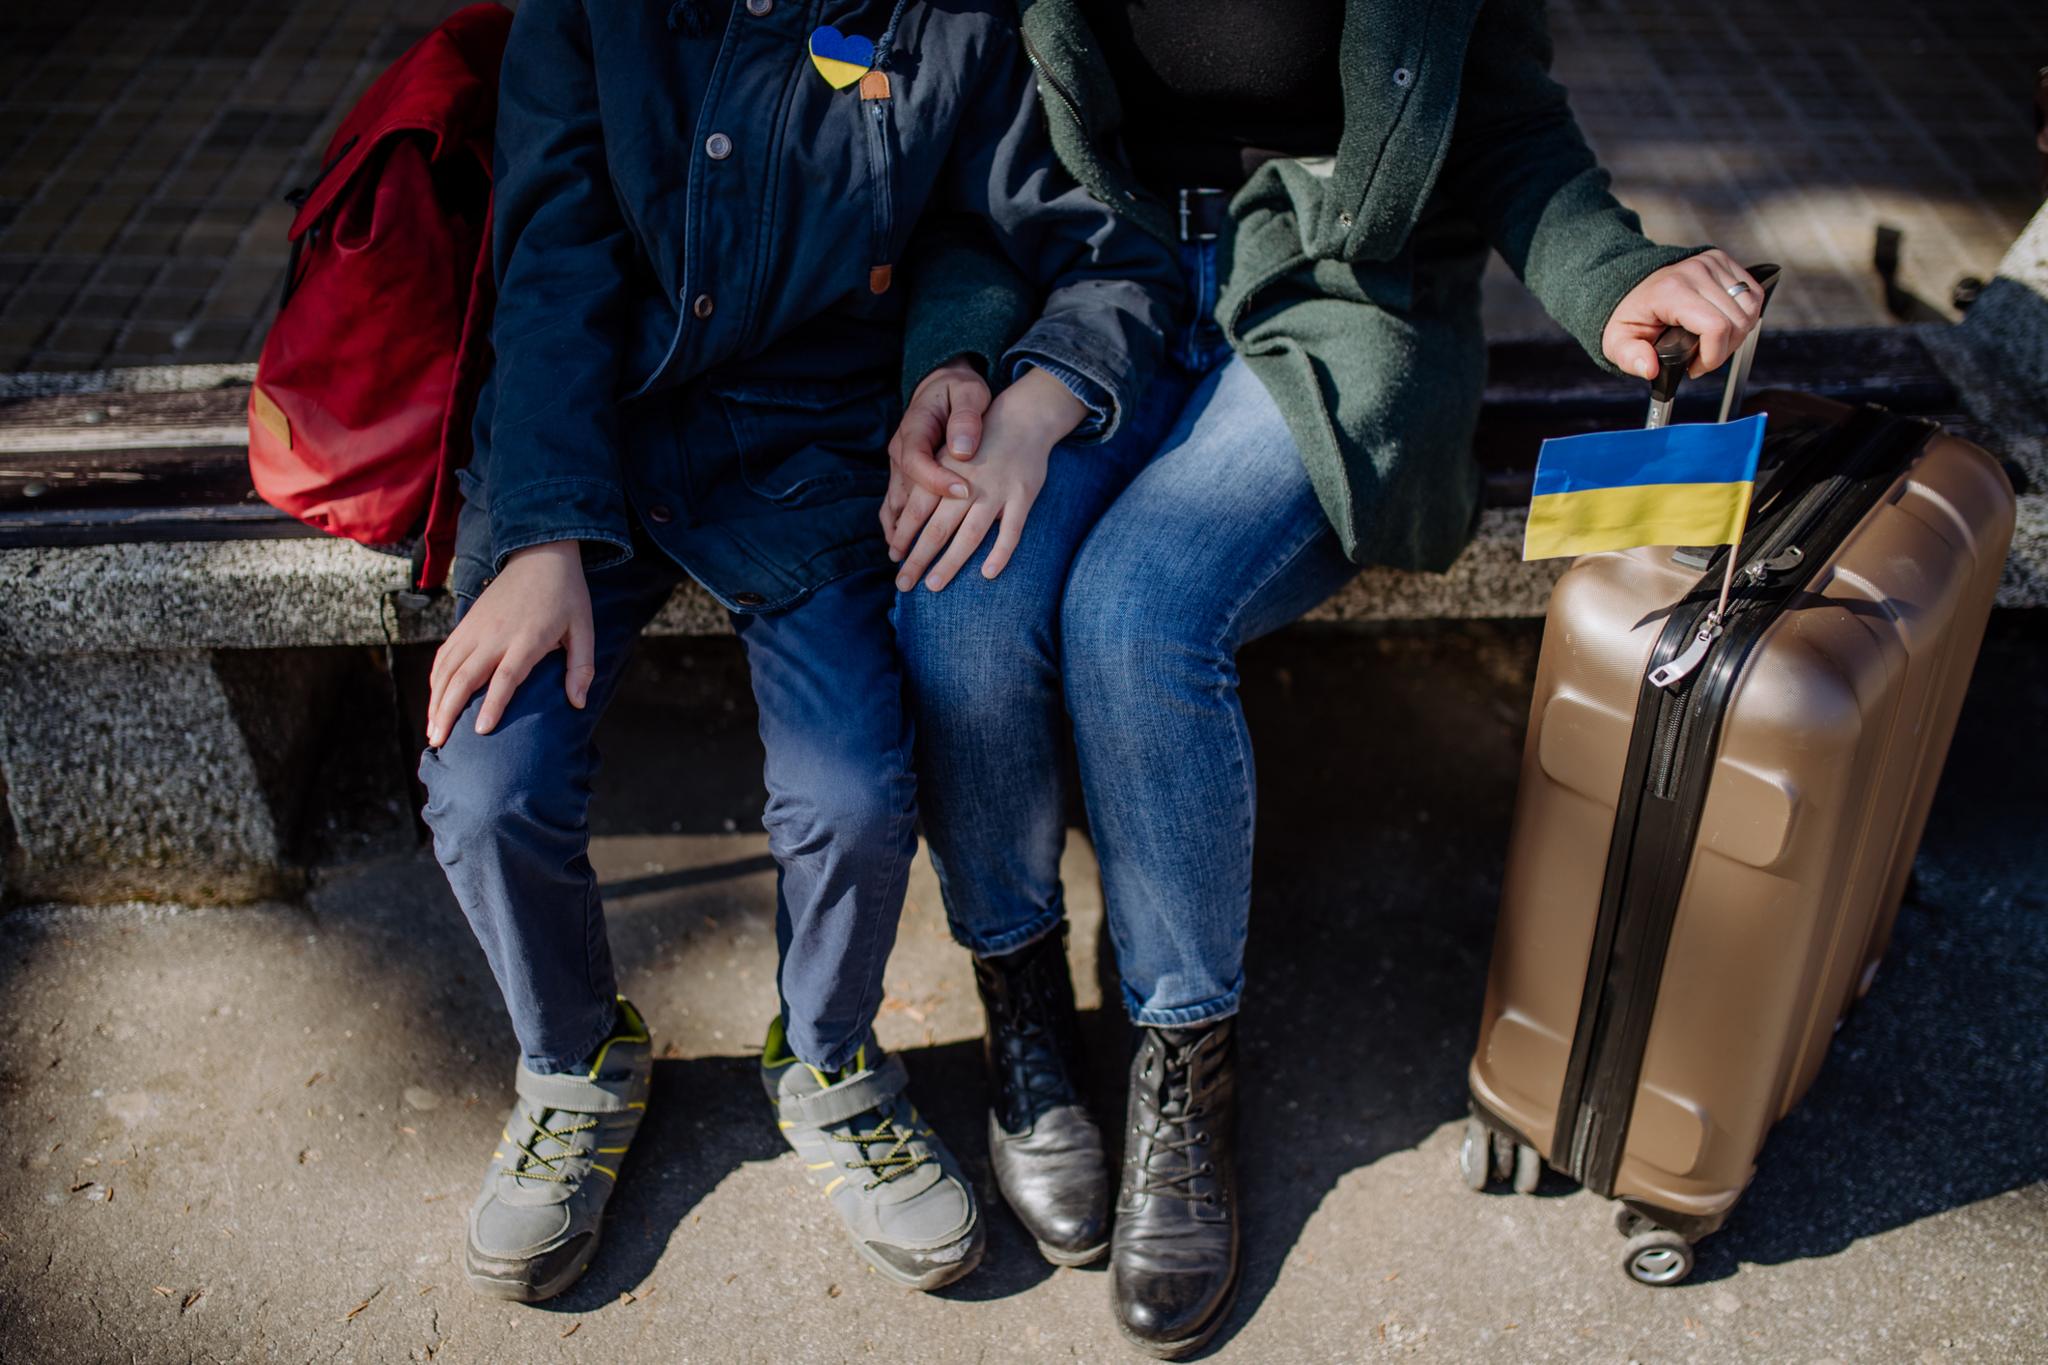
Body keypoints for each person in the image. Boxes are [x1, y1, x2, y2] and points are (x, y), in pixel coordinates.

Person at [883, 0, 1765, 1354]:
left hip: (1331, 302)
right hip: (1084, 288)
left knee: (1137, 608)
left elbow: (1507, 126)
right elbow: (967, 175)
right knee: (962, 602)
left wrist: (1611, 274)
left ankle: (1185, 1061)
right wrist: (950, 355)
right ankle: (1026, 1014)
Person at [418, 0, 1175, 1303]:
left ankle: (827, 1058)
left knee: (854, 795)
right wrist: (538, 532)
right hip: (590, 432)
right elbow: (550, 261)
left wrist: (979, 366)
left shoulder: (952, 24)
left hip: (809, 448)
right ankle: (575, 1059)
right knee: (487, 780)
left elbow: (1028, 232)